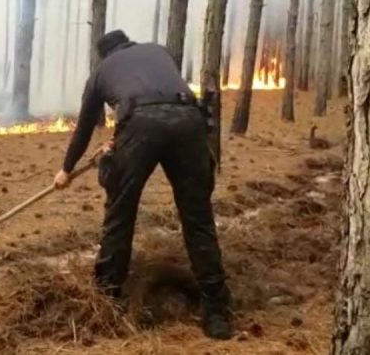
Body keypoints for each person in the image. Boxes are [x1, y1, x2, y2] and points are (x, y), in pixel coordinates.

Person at [53, 30, 234, 340]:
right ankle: (217, 312)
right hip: (190, 120)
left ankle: (107, 298)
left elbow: (84, 128)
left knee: (120, 215)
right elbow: (161, 92)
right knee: (198, 218)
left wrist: (66, 169)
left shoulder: (101, 72)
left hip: (141, 125)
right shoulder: (159, 51)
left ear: (103, 55)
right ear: (129, 44)